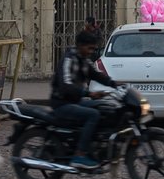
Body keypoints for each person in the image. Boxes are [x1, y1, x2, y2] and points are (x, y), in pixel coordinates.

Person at [50, 29, 118, 169]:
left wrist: (114, 84)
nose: (91, 51)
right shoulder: (69, 59)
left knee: (103, 107)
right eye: (89, 48)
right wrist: (87, 93)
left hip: (75, 101)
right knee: (93, 115)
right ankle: (79, 155)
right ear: (80, 45)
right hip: (62, 103)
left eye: (93, 49)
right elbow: (65, 85)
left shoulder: (84, 60)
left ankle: (92, 146)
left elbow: (96, 75)